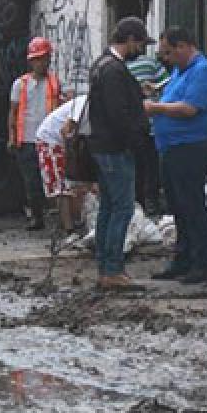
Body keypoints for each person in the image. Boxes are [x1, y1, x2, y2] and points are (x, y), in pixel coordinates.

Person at [144, 27, 207, 285]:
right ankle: (183, 257)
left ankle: (201, 261)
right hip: (171, 146)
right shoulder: (180, 71)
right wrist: (156, 91)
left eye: (169, 53)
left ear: (183, 46)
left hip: (191, 146)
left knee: (191, 203)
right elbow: (173, 91)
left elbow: (190, 108)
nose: (167, 59)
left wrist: (156, 108)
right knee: (177, 205)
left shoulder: (202, 70)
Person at [86, 16, 151, 290]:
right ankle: (112, 268)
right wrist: (135, 138)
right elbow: (117, 113)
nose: (141, 50)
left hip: (104, 147)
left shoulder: (102, 65)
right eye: (139, 43)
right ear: (131, 40)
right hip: (115, 148)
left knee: (109, 208)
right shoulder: (113, 70)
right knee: (122, 207)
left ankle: (106, 265)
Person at [8, 37, 65, 230]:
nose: (40, 63)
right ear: (31, 61)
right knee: (31, 181)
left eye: (43, 58)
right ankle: (37, 217)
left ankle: (56, 217)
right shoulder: (20, 84)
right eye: (37, 59)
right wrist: (12, 136)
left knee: (51, 179)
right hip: (27, 139)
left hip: (48, 139)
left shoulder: (55, 83)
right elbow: (13, 112)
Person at [34, 93, 90, 237]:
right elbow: (65, 130)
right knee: (60, 185)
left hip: (70, 142)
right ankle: (69, 229)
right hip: (51, 140)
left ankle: (77, 223)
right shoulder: (84, 104)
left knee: (74, 184)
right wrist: (70, 157)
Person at [125, 52, 171, 215]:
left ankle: (139, 203)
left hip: (132, 127)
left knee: (137, 166)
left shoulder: (119, 67)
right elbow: (168, 86)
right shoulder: (151, 64)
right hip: (152, 124)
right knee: (151, 166)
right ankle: (151, 202)